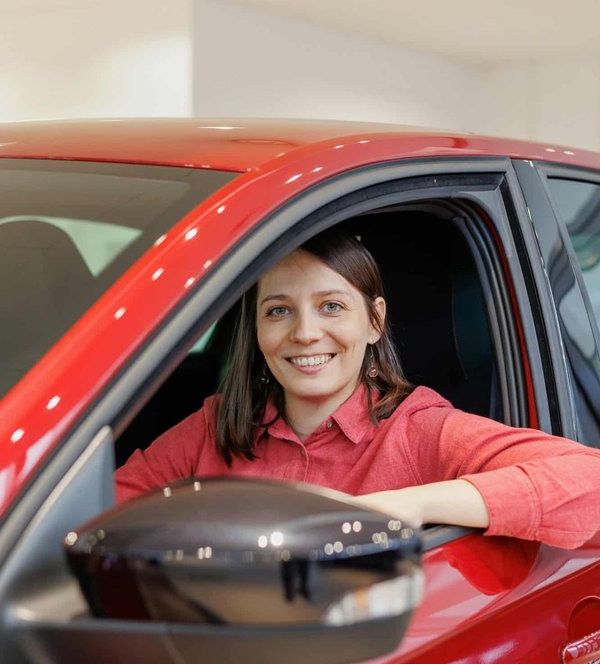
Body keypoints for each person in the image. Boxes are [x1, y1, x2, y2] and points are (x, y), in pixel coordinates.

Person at [116, 229, 600, 550]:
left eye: (331, 306)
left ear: (374, 321)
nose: (305, 333)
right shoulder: (216, 426)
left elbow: (588, 480)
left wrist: (405, 506)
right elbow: (100, 514)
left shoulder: (417, 431)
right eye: (279, 310)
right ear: (257, 330)